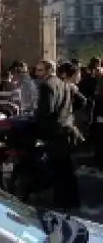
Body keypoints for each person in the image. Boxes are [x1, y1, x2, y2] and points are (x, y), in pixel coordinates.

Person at [34, 60, 81, 210]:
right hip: (65, 130)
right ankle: (72, 201)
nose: (37, 73)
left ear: (49, 71)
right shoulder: (63, 84)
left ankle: (61, 202)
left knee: (59, 169)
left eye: (40, 70)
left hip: (55, 133)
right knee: (66, 169)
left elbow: (45, 111)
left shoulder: (47, 86)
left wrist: (38, 126)